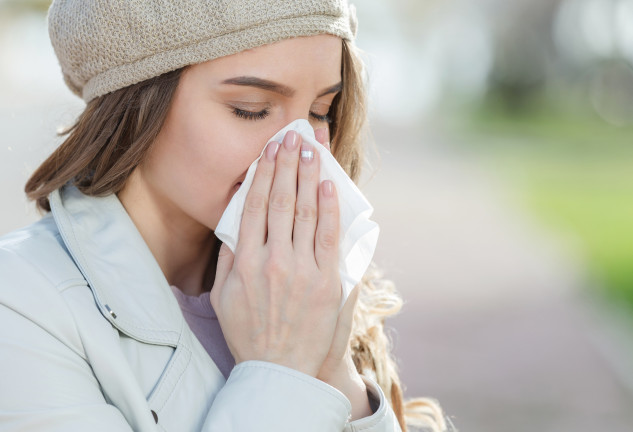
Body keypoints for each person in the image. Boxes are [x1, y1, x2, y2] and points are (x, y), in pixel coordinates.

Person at [0, 1, 451, 431]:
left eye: (320, 112)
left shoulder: (309, 285)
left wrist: (334, 369)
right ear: (137, 105)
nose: (303, 149)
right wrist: (281, 368)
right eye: (250, 109)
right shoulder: (23, 304)